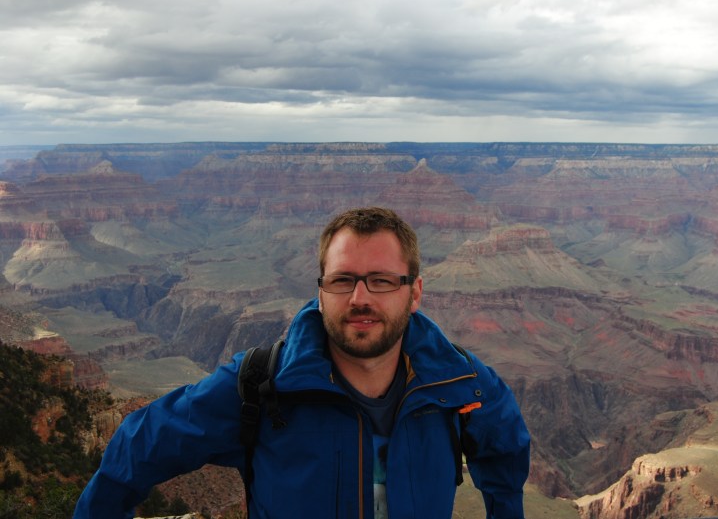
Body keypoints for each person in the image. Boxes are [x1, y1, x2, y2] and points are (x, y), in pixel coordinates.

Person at [74, 206, 531, 519]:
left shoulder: (463, 385)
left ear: (414, 293)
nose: (359, 298)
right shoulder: (261, 386)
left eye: (380, 281)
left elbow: (506, 453)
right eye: (343, 280)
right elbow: (139, 447)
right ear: (320, 290)